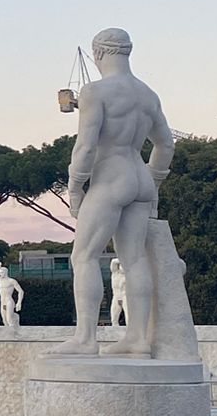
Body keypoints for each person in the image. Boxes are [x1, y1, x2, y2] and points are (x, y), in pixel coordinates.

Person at [54, 28, 175, 358]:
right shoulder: (148, 95)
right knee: (134, 259)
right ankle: (137, 339)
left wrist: (75, 187)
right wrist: (155, 184)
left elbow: (85, 147)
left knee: (84, 256)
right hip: (140, 177)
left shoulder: (95, 91)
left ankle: (85, 339)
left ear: (98, 54)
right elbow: (165, 145)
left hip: (111, 176)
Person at [0, 262, 23, 330]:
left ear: (6, 272)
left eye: (2, 272)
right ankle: (15, 316)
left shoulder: (11, 281)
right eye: (0, 273)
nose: (0, 274)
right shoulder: (0, 280)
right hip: (3, 302)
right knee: (4, 320)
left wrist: (19, 302)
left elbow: (21, 291)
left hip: (9, 301)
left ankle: (13, 332)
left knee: (9, 319)